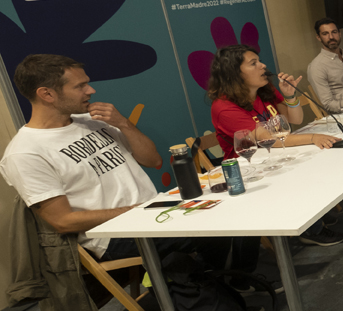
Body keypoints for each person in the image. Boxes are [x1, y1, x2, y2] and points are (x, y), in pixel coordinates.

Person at [0, 54, 260, 275]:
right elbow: (63, 221)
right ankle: (214, 287)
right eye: (80, 86)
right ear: (46, 94)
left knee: (234, 208)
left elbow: (153, 161)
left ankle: (214, 284)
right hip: (115, 235)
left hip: (153, 211)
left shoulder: (92, 122)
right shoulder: (25, 153)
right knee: (219, 226)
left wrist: (123, 123)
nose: (90, 91)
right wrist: (136, 210)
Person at [207, 45, 343, 246]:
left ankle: (315, 214)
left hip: (274, 155)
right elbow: (266, 138)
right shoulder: (224, 107)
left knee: (314, 161)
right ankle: (310, 228)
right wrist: (313, 137)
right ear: (234, 73)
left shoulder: (265, 90)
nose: (263, 65)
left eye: (259, 60)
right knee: (301, 168)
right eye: (254, 63)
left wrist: (289, 96)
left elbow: (293, 121)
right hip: (247, 170)